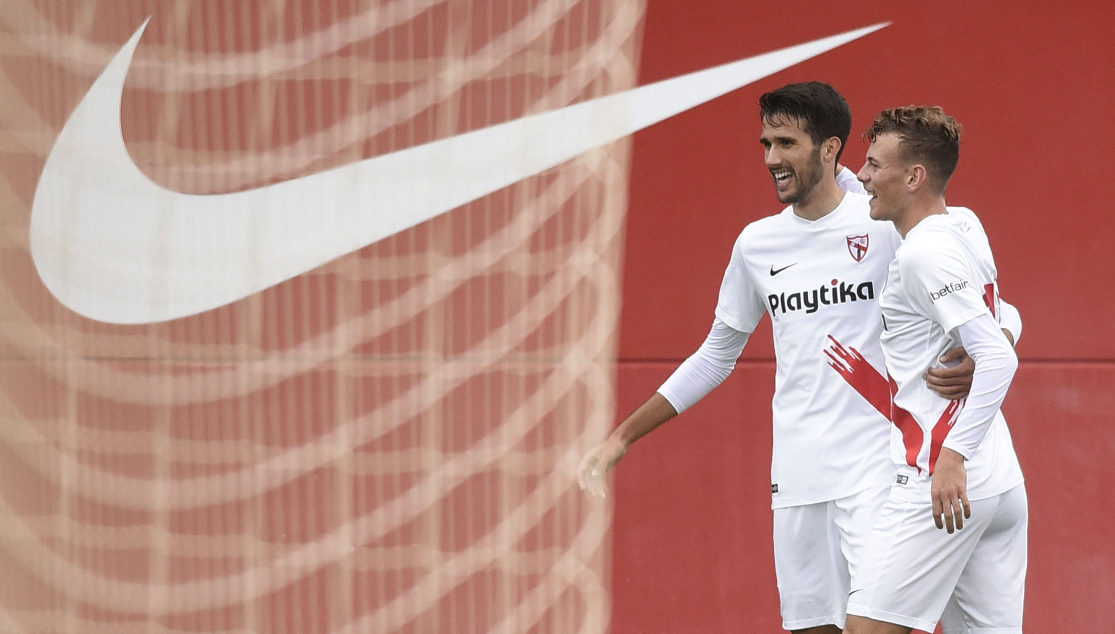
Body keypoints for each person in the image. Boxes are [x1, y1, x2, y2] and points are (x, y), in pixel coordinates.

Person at [577, 83, 1022, 633]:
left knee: (878, 626)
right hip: (798, 479)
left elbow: (996, 307)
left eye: (786, 143)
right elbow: (717, 356)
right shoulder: (757, 245)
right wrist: (623, 435)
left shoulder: (883, 222)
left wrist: (995, 345)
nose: (771, 158)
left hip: (878, 473)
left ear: (829, 148)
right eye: (765, 143)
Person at [841, 107, 1026, 634]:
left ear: (915, 176)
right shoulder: (964, 223)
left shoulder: (923, 254)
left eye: (874, 164)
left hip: (945, 480)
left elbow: (997, 358)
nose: (863, 175)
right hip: (999, 479)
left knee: (867, 628)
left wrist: (952, 458)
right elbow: (1003, 319)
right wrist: (998, 338)